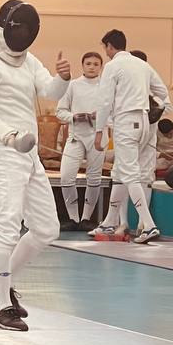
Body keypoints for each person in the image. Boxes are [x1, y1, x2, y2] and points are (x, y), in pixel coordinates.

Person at [0, 0, 71, 331]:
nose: (23, 34)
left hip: (28, 154)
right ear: (4, 28)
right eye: (19, 28)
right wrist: (10, 136)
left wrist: (63, 79)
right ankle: (3, 306)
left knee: (46, 228)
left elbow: (49, 90)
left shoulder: (29, 61)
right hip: (3, 152)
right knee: (5, 228)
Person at [93, 30, 168, 243]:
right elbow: (162, 93)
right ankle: (109, 222)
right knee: (120, 173)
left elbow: (105, 101)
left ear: (109, 46)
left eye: (105, 48)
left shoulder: (113, 66)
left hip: (126, 123)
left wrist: (99, 131)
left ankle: (149, 225)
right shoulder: (142, 65)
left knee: (130, 174)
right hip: (144, 124)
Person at [56, 51, 106, 231]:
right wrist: (75, 117)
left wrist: (98, 117)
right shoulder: (73, 85)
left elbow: (114, 113)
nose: (92, 67)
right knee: (66, 176)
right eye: (88, 64)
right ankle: (73, 218)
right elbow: (60, 111)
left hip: (98, 136)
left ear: (101, 67)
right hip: (76, 136)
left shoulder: (106, 87)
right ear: (83, 65)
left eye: (96, 64)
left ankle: (86, 218)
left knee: (94, 177)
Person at [130, 49, 173, 193]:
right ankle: (122, 209)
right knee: (125, 173)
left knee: (146, 175)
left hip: (148, 133)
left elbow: (167, 106)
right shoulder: (123, 83)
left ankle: (143, 208)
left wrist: (151, 113)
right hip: (128, 133)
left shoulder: (152, 82)